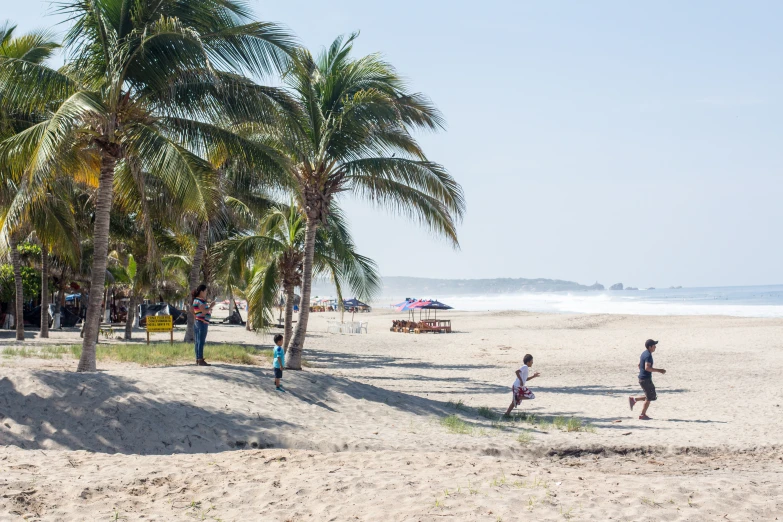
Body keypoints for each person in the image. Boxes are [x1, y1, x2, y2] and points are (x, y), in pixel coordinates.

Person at [629, 339, 666, 420]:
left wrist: (643, 373)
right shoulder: (648, 356)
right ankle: (642, 415)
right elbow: (647, 368)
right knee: (649, 397)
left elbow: (639, 365)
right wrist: (659, 370)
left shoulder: (644, 353)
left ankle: (634, 400)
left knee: (652, 396)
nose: (655, 347)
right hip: (645, 379)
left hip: (643, 378)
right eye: (654, 345)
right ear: (650, 347)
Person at [191, 285, 214, 366]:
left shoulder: (196, 300)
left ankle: (198, 359)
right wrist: (211, 306)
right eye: (205, 291)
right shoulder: (199, 301)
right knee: (201, 341)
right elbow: (204, 311)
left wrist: (196, 316)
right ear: (201, 291)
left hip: (199, 322)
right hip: (202, 322)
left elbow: (192, 310)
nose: (206, 293)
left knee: (198, 341)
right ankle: (200, 360)